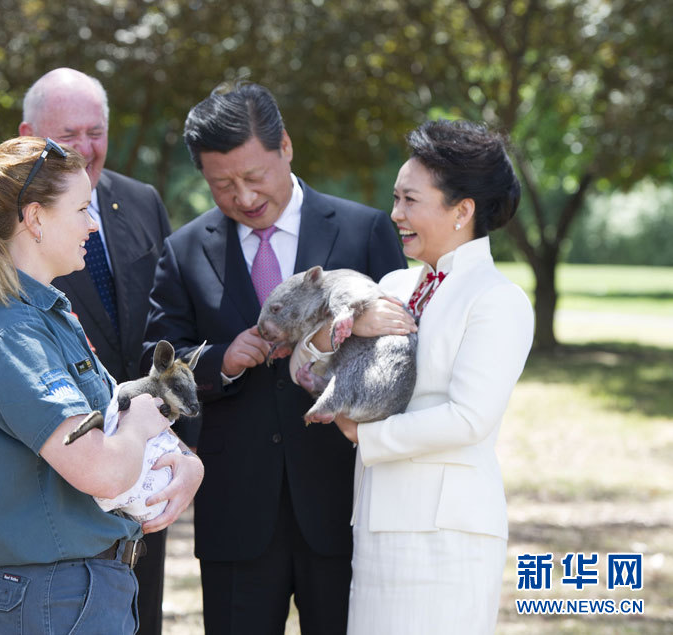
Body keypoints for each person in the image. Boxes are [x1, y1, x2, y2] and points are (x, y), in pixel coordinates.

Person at [142, 83, 411, 634]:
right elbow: (156, 360)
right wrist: (221, 360)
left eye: (253, 176)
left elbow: (403, 345)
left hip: (347, 500)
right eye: (222, 184)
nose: (242, 196)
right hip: (236, 511)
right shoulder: (185, 249)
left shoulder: (364, 231)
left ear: (285, 147)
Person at [0, 135, 203, 633]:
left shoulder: (48, 316)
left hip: (81, 590)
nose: (93, 223)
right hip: (57, 597)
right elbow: (103, 469)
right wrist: (140, 426)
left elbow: (117, 411)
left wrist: (186, 463)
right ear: (34, 219)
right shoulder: (13, 335)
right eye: (81, 209)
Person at [294, 119, 534, 634]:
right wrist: (340, 330)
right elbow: (307, 366)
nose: (395, 213)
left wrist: (366, 434)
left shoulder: (498, 299)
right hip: (378, 521)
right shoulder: (393, 284)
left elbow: (469, 418)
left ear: (462, 210)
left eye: (409, 200)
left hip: (449, 535)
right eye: (395, 199)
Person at [19, 68, 173, 634]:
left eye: (96, 132)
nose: (85, 150)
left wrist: (168, 445)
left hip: (147, 477)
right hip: (61, 484)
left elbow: (164, 330)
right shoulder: (11, 230)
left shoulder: (142, 202)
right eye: (68, 135)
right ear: (30, 133)